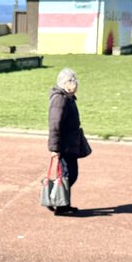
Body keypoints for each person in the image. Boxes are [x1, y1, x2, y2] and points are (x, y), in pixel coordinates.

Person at [47, 67, 84, 216]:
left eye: (75, 80)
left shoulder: (67, 97)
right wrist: (55, 148)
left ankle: (63, 204)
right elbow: (55, 124)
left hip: (71, 144)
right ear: (64, 83)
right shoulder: (60, 99)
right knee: (69, 175)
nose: (76, 84)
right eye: (72, 80)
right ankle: (57, 202)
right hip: (65, 145)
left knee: (69, 174)